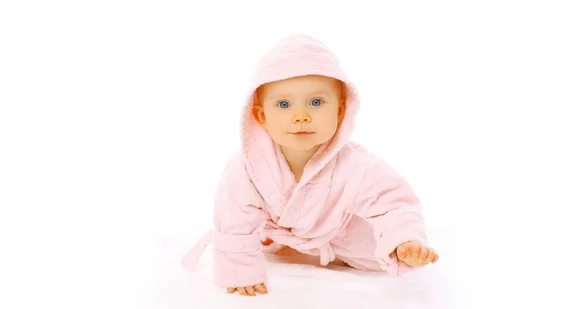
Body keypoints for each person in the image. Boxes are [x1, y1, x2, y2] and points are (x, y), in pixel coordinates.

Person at [181, 33, 439, 296]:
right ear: (261, 116)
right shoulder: (246, 167)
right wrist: (240, 271)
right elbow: (234, 221)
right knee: (248, 232)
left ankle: (399, 247)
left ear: (340, 111)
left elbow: (393, 205)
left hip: (343, 235)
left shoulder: (357, 165)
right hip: (281, 238)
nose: (301, 117)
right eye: (283, 104)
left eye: (316, 102)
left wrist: (403, 240)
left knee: (378, 257)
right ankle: (291, 247)